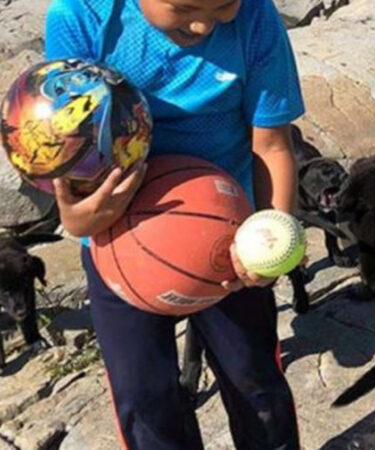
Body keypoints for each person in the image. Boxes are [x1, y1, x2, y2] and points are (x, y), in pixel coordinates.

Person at [44, 0, 304, 448]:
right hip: (119, 246)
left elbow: (272, 144)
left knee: (254, 381)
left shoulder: (255, 17)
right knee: (144, 396)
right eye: (183, 8)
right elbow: (65, 148)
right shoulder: (80, 17)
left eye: (224, 5)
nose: (204, 23)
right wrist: (75, 217)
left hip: (228, 235)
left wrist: (274, 235)